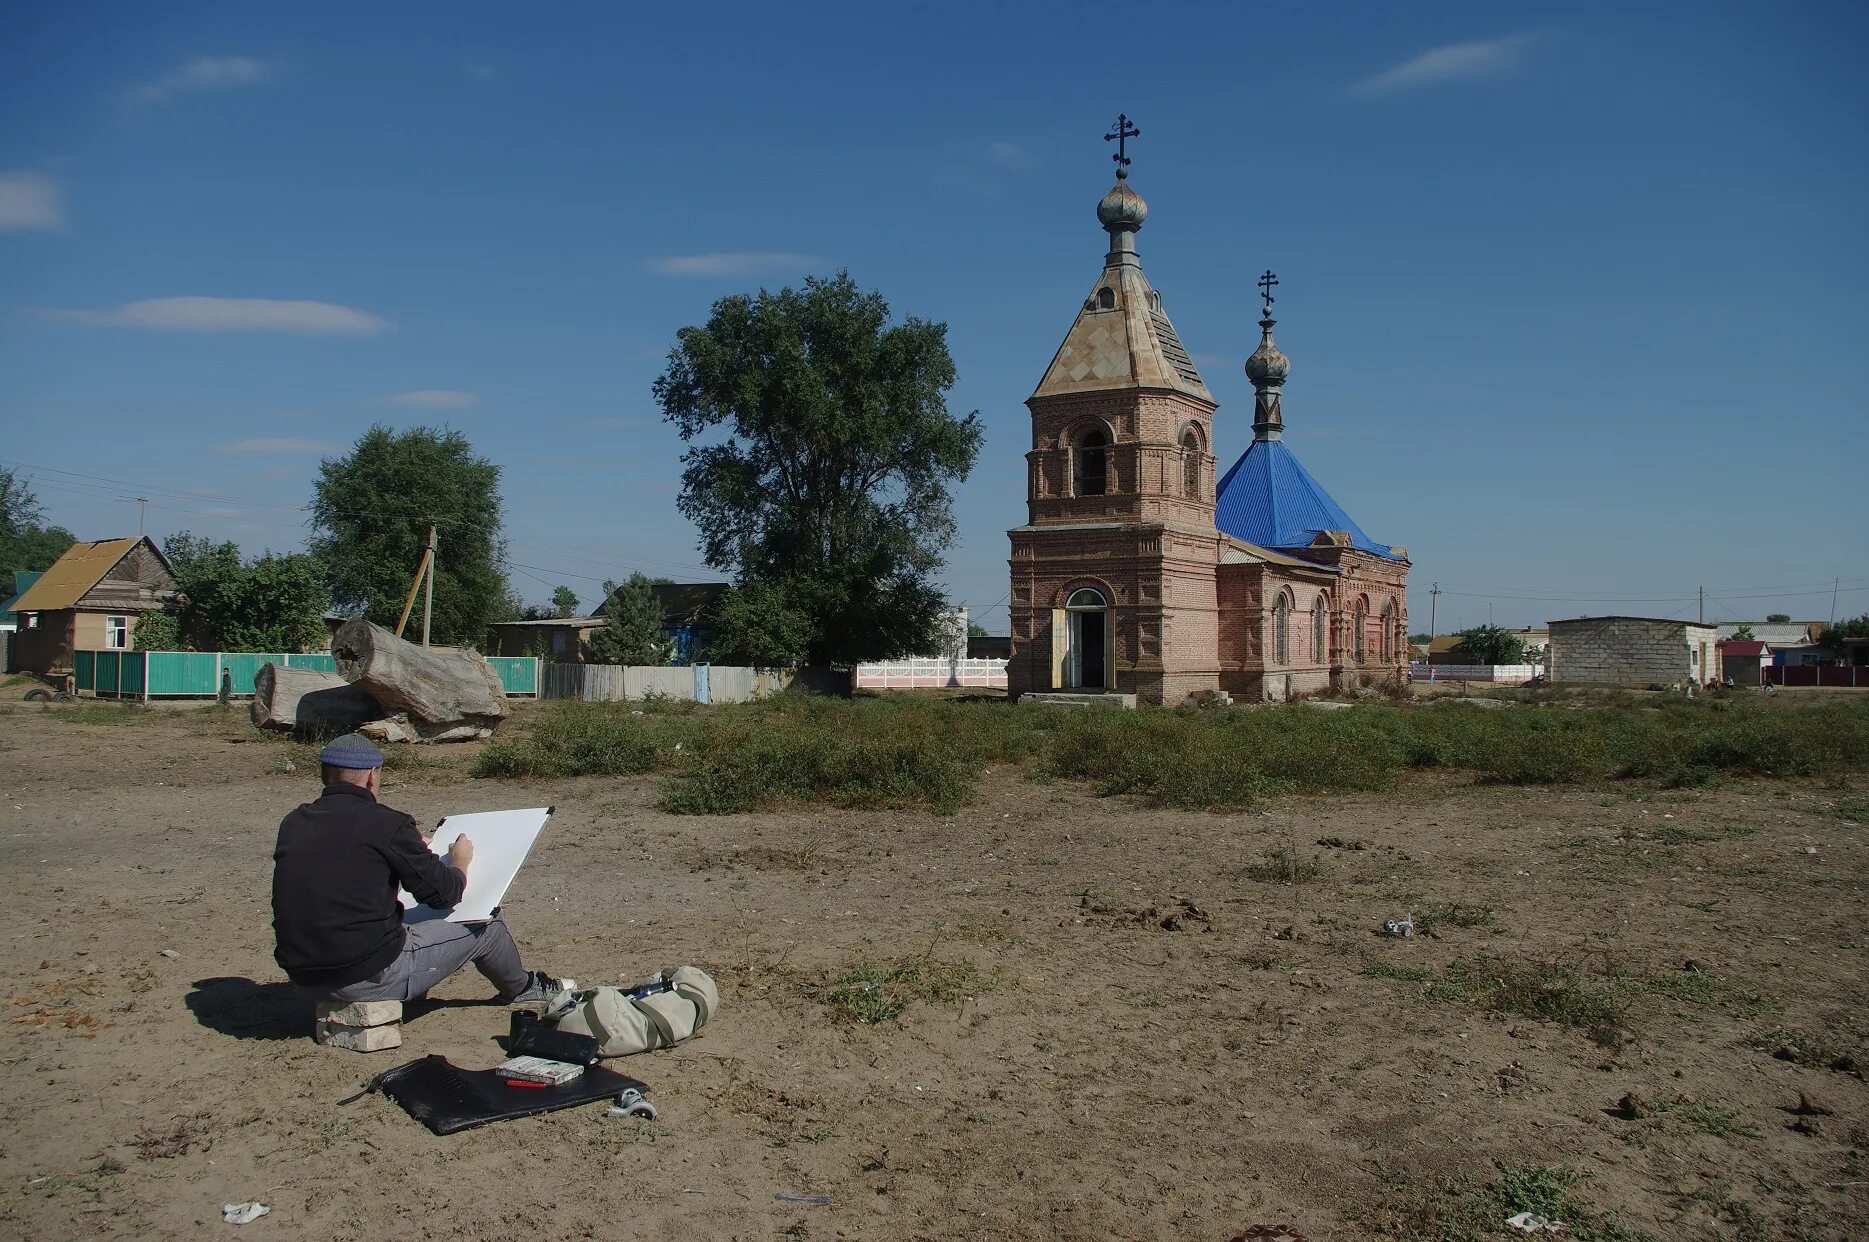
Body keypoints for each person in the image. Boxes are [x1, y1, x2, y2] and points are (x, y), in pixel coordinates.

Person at [272, 733, 559, 1006]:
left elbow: (348, 871)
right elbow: (444, 894)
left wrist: (403, 852)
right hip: (364, 976)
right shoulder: (387, 824)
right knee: (488, 925)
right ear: (372, 775)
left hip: (303, 977)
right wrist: (460, 861)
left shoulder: (294, 823)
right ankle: (522, 988)